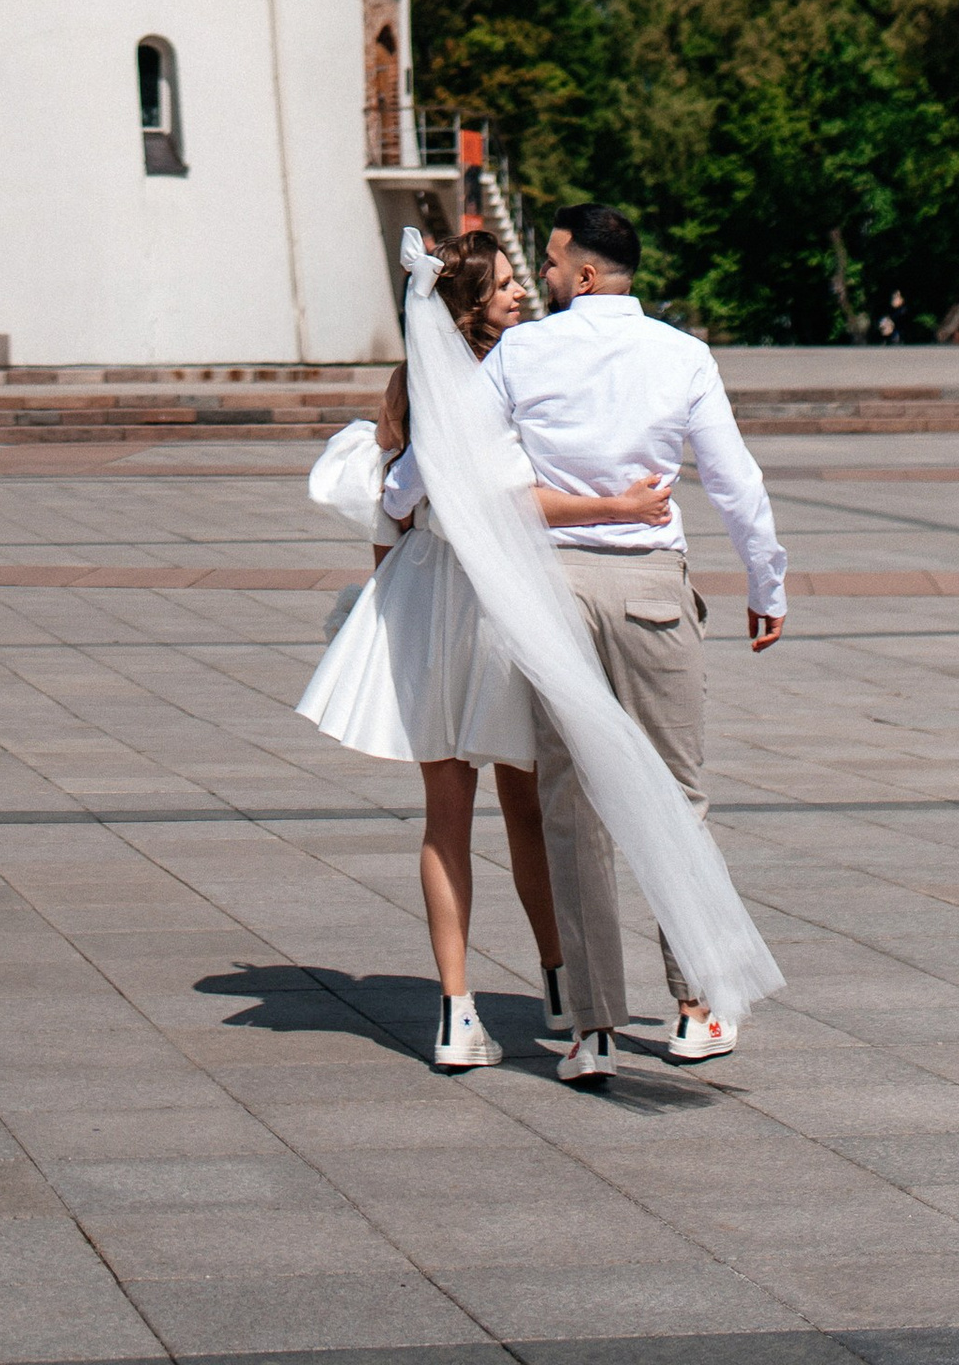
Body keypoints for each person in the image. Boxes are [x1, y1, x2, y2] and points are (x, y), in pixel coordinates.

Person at [299, 227, 675, 1070]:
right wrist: (617, 506)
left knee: (461, 811)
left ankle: (465, 1005)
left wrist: (384, 597)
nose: (519, 292)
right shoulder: (489, 384)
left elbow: (392, 509)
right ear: (468, 305)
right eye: (505, 284)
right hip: (498, 600)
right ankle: (547, 981)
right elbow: (509, 499)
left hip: (436, 602)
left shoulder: (422, 387)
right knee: (525, 803)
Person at [484, 199, 788, 1085]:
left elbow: (459, 451)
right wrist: (766, 584)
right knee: (677, 795)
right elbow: (735, 481)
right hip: (650, 584)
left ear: (583, 273)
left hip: (552, 591)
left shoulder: (523, 351)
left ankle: (593, 1028)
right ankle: (697, 1003)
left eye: (546, 262)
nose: (538, 276)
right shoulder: (682, 355)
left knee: (571, 807)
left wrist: (393, 500)